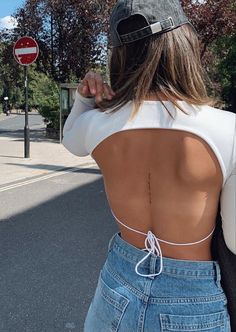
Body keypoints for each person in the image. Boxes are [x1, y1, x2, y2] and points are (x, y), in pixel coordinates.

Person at [62, 0, 235, 331]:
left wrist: (85, 98)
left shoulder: (98, 124)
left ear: (119, 55)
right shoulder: (228, 129)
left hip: (119, 280)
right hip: (192, 298)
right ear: (182, 44)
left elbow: (71, 138)